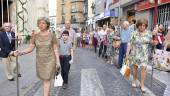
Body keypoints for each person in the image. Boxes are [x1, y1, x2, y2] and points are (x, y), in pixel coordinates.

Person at [16, 17, 60, 96]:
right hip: (40, 61)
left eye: (43, 23)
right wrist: (21, 52)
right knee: (45, 80)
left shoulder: (52, 35)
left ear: (47, 25)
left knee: (47, 79)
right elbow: (30, 48)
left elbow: (55, 49)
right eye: (39, 23)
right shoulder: (35, 36)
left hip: (50, 60)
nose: (41, 25)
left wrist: (58, 62)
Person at [126, 18, 157, 92]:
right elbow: (130, 43)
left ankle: (142, 84)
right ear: (138, 25)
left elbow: (151, 42)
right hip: (135, 54)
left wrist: (154, 42)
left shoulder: (148, 33)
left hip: (144, 55)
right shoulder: (134, 33)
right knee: (134, 68)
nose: (142, 27)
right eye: (140, 25)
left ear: (146, 26)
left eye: (144, 25)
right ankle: (134, 80)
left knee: (143, 69)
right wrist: (127, 53)